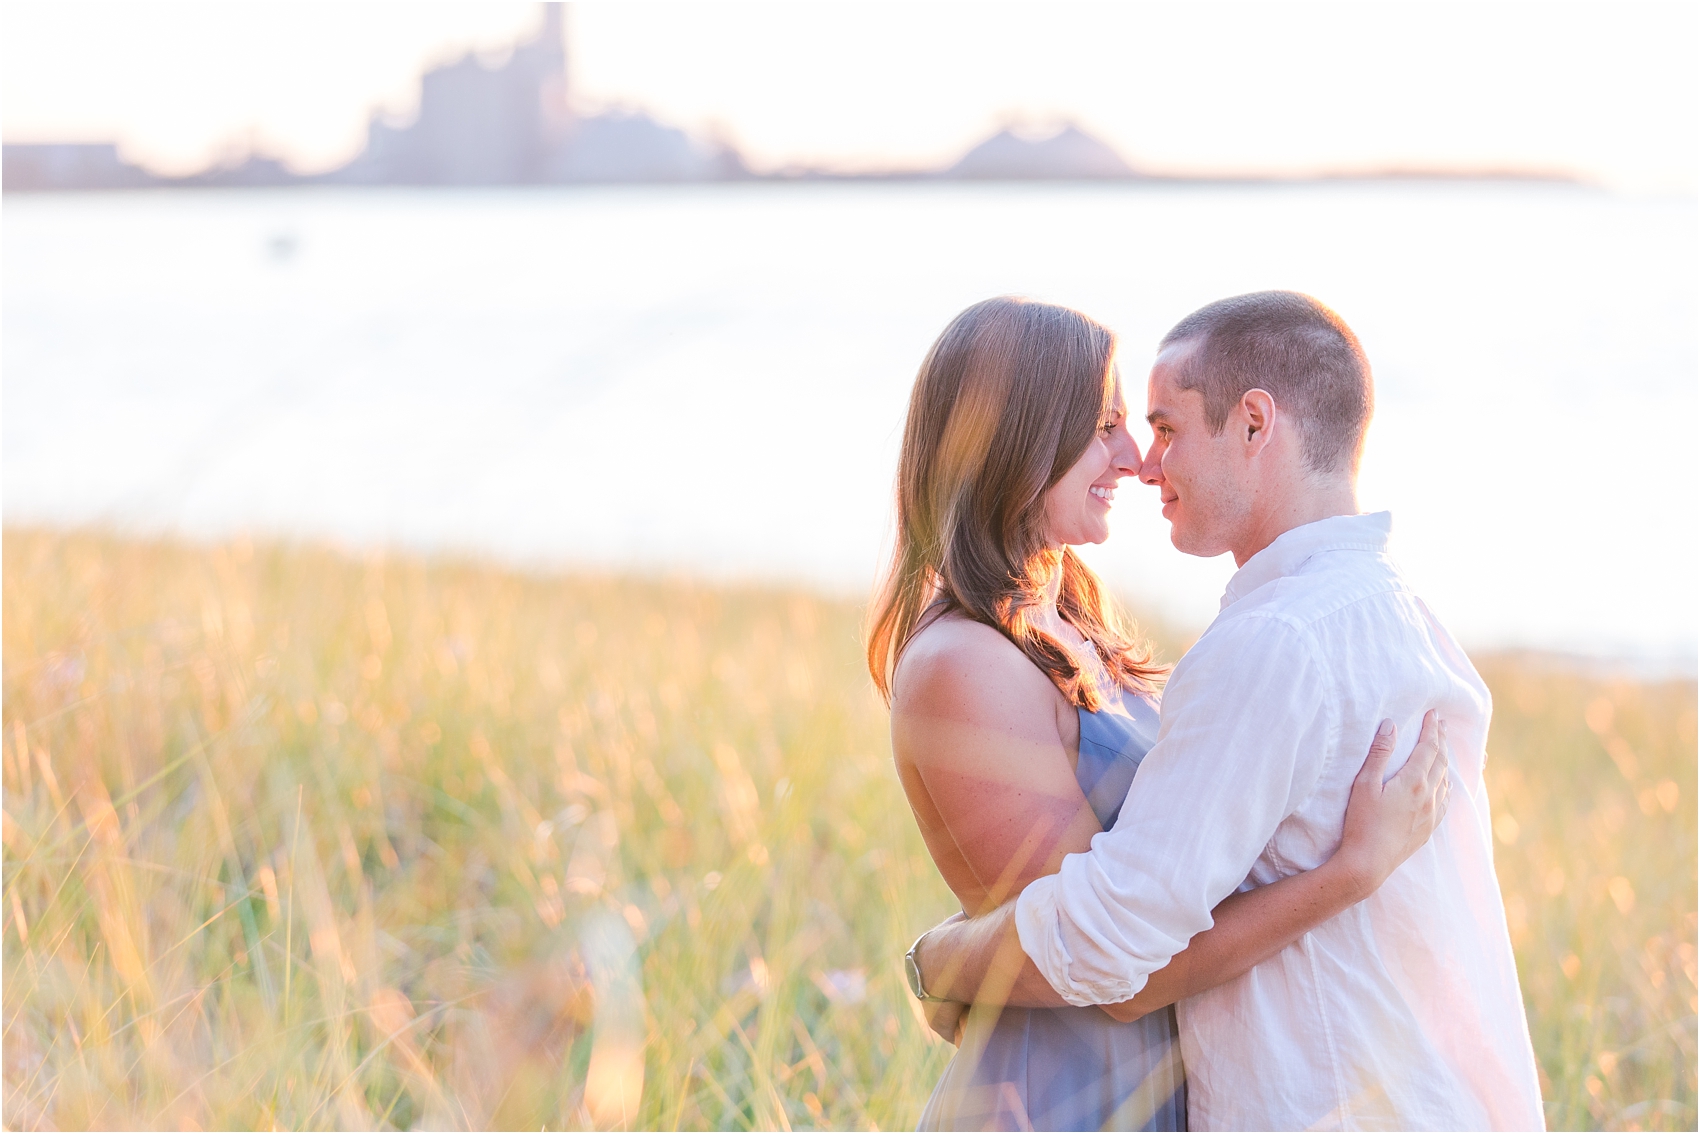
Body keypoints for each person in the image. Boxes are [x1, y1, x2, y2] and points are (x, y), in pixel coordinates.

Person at [908, 292, 1546, 1131]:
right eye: (1112, 425)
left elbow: (1110, 942)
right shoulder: (1383, 615)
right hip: (1071, 1093)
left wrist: (936, 960)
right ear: (1016, 439)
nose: (1139, 458)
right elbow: (1107, 950)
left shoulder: (1271, 638)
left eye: (1160, 428)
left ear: (1254, 426)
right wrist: (1346, 875)